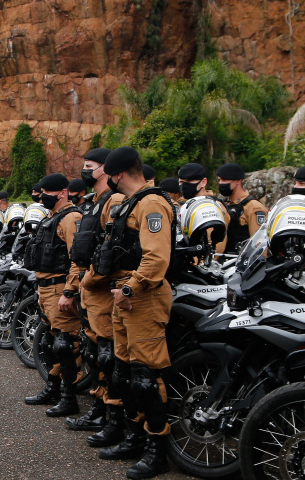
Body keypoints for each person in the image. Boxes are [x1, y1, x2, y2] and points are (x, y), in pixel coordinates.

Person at [94, 147, 176, 479]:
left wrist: (131, 289)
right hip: (123, 295)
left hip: (143, 296)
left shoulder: (152, 203)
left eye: (108, 175)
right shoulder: (132, 202)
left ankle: (158, 452)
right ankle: (134, 438)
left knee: (145, 379)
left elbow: (156, 257)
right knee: (123, 374)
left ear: (118, 174)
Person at [70, 148, 128, 445]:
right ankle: (98, 408)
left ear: (105, 169)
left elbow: (110, 251)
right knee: (94, 352)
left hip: (101, 289)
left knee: (107, 355)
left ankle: (112, 417)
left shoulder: (113, 201)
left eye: (89, 165)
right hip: (89, 288)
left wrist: (90, 279)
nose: (84, 170)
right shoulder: (95, 202)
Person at [23, 173, 84, 417]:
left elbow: (77, 259)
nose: (42, 197)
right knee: (48, 343)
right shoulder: (51, 217)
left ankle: (69, 398)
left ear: (62, 192)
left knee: (64, 344)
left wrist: (69, 291)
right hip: (46, 287)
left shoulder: (71, 218)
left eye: (47, 192)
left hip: (60, 287)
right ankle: (52, 388)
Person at [216, 163, 267, 253]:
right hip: (222, 258)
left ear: (238, 181)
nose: (221, 183)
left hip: (240, 259)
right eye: (219, 180)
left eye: (224, 180)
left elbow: (259, 243)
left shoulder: (253, 206)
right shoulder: (223, 204)